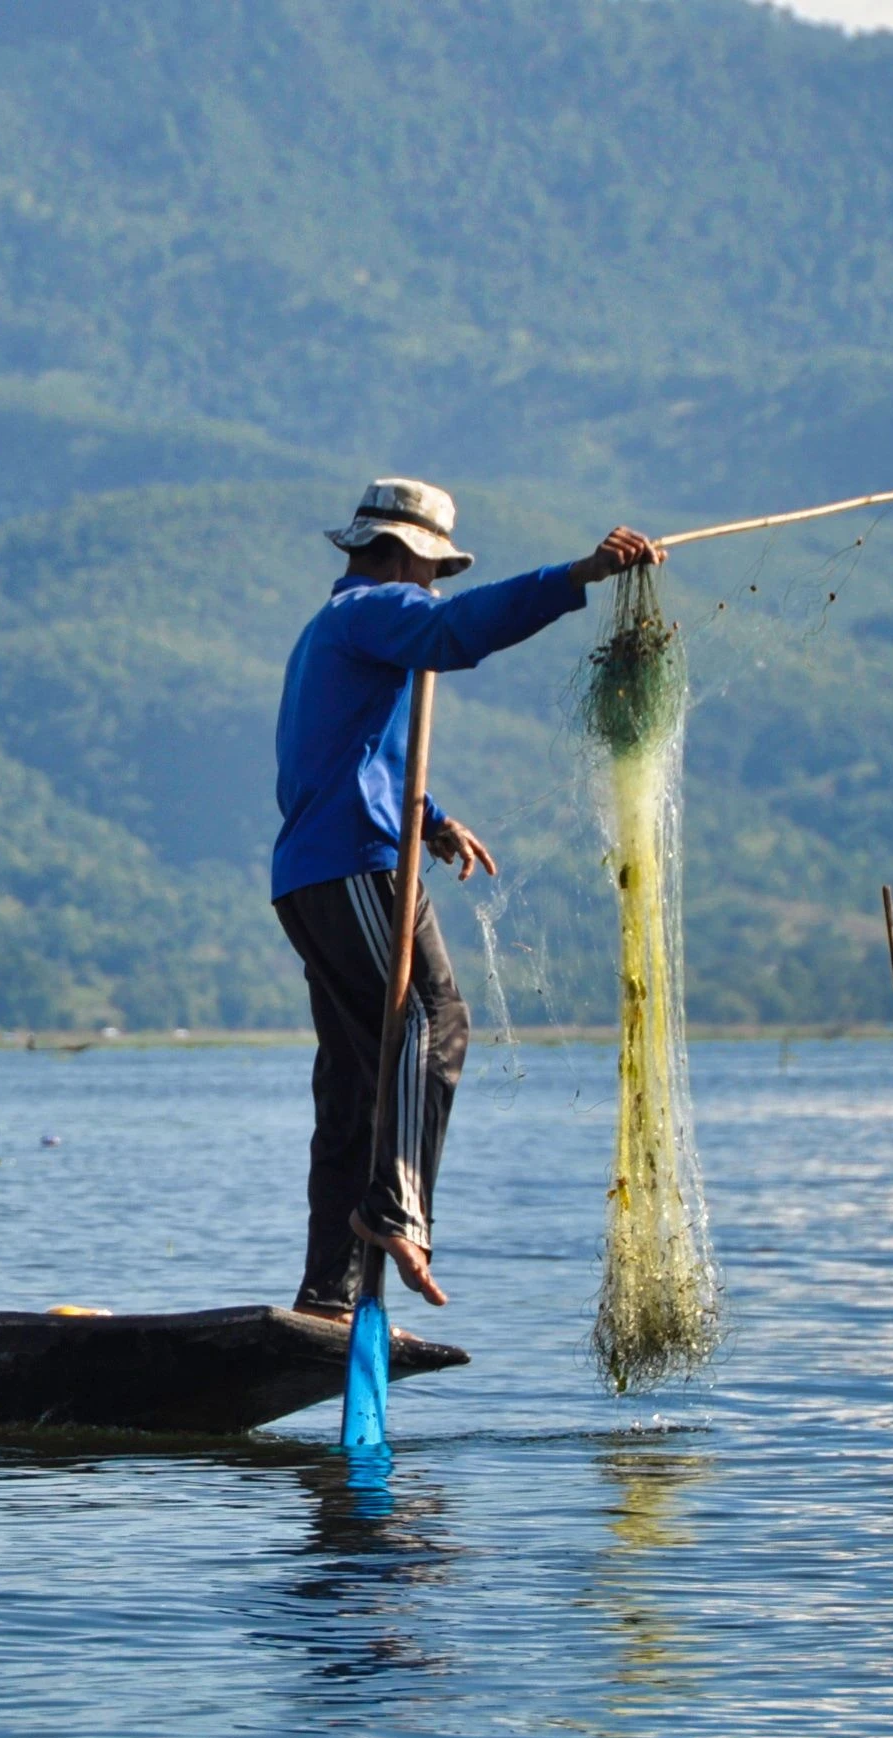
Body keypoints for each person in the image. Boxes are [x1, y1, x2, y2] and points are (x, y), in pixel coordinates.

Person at [274, 477, 664, 1315]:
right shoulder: (372, 611)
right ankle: (394, 1210)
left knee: (356, 1076)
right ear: (399, 556)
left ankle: (328, 1294)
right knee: (432, 1019)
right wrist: (578, 577)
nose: (431, 588)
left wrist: (434, 820)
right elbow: (454, 632)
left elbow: (349, 760)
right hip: (356, 866)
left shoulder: (326, 634)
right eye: (428, 571)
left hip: (310, 874)